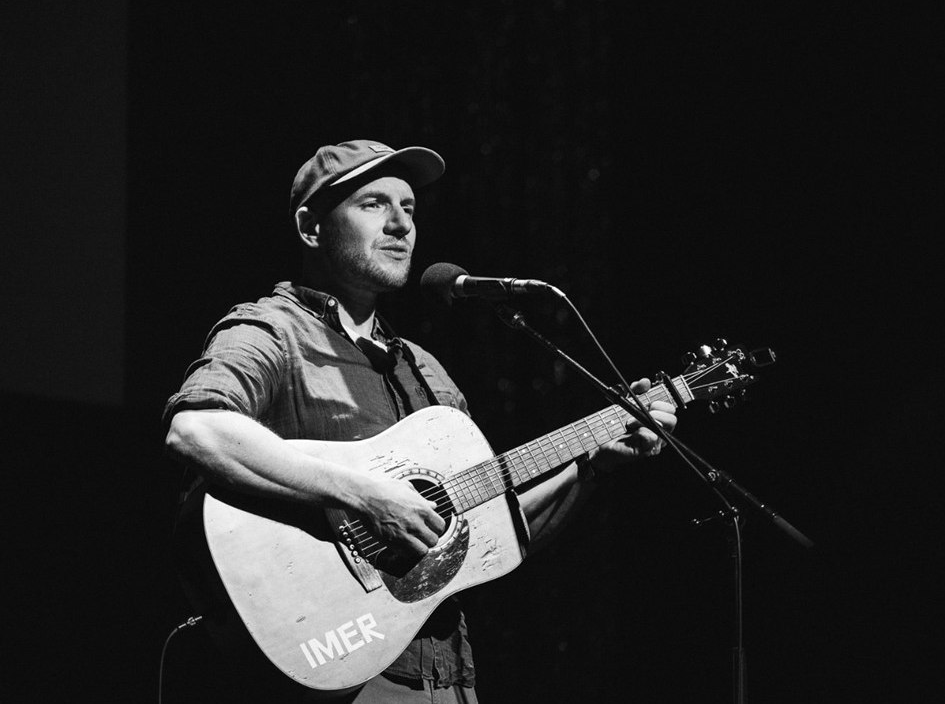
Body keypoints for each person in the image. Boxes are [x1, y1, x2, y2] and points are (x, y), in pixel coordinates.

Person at [163, 139, 678, 703]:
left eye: (409, 208)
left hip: (447, 678)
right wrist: (366, 496)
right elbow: (197, 430)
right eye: (373, 204)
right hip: (338, 670)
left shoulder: (427, 372)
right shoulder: (273, 331)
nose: (400, 225)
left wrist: (591, 464)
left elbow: (491, 536)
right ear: (312, 227)